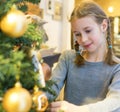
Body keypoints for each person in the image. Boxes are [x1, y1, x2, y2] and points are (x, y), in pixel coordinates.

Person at [46, 0, 120, 112]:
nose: (83, 39)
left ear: (103, 26)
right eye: (77, 34)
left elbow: (114, 101)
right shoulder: (68, 58)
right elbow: (51, 89)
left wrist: (79, 110)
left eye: (88, 31)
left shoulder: (117, 67)